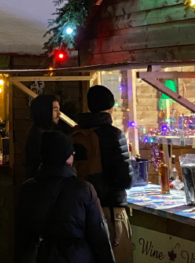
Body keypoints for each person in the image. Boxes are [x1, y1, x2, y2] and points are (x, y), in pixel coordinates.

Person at [15, 131, 115, 263]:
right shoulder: (84, 190)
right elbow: (99, 238)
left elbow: (21, 237)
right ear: (67, 158)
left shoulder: (28, 189)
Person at [77, 85, 133, 263]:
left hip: (83, 212)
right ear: (110, 107)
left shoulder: (77, 133)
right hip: (110, 210)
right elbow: (125, 179)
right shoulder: (114, 135)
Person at [25, 94, 61, 180]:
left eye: (59, 110)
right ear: (45, 111)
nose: (59, 114)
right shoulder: (40, 135)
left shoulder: (41, 131)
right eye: (55, 109)